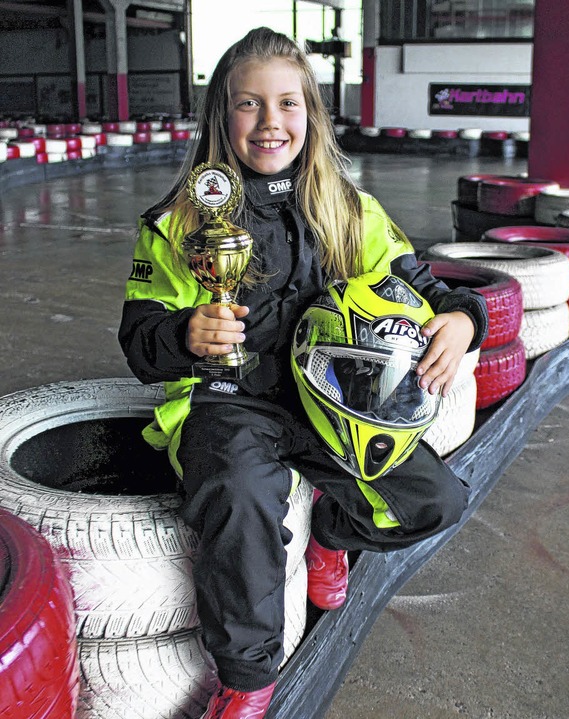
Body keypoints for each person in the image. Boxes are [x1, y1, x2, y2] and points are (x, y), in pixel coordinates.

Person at [118, 26, 489, 719]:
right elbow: (137, 341)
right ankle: (248, 680)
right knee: (239, 494)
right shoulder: (177, 224)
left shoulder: (349, 210)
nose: (270, 122)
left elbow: (426, 286)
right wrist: (183, 333)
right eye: (248, 104)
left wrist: (465, 321)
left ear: (312, 115)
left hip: (337, 402)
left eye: (288, 103)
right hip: (228, 403)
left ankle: (331, 532)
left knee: (437, 499)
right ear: (219, 117)